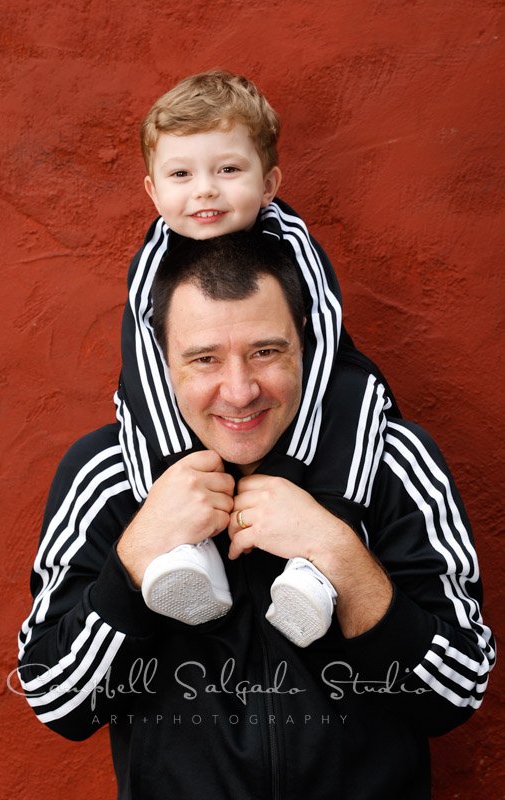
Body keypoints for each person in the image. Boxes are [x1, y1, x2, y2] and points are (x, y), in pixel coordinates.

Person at [18, 233, 494, 800]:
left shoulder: (390, 460)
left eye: (266, 352)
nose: (240, 392)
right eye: (204, 360)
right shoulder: (106, 474)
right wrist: (133, 562)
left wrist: (338, 552)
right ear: (162, 362)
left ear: (307, 347)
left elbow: (455, 694)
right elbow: (57, 701)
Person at [115, 70, 395, 647]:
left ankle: (317, 568)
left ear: (268, 182)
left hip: (310, 419)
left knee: (362, 393)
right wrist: (182, 469)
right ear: (152, 191)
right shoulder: (152, 262)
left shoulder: (291, 244)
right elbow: (145, 359)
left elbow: (314, 350)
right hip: (188, 452)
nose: (205, 191)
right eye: (181, 174)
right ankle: (185, 553)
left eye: (227, 170)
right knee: (132, 403)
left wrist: (287, 470)